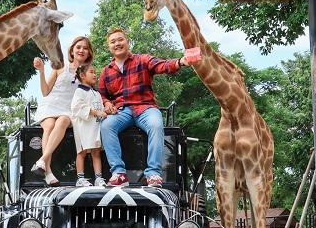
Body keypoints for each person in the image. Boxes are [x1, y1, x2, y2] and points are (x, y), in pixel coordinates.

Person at [98, 27, 201, 187]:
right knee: (106, 126)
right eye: (113, 41)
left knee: (156, 124)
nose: (117, 43)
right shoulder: (106, 71)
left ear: (127, 41)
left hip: (145, 108)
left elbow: (163, 65)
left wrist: (180, 62)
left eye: (120, 39)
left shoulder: (143, 60)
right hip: (122, 111)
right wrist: (107, 103)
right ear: (109, 47)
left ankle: (153, 173)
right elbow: (102, 94)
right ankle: (119, 173)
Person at [32, 36, 94, 185]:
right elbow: (45, 91)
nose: (81, 50)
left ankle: (42, 160)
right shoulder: (59, 67)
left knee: (63, 121)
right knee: (49, 126)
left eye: (85, 48)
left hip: (68, 109)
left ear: (89, 53)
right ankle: (48, 172)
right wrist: (41, 71)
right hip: (51, 104)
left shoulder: (87, 73)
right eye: (78, 47)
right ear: (72, 50)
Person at [70, 63, 107, 187]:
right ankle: (80, 179)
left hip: (95, 127)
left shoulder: (96, 93)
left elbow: (101, 109)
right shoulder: (79, 91)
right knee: (82, 152)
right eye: (91, 72)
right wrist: (96, 112)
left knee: (96, 151)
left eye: (95, 72)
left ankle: (98, 178)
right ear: (82, 75)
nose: (95, 74)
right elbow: (76, 107)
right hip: (83, 128)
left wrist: (107, 111)